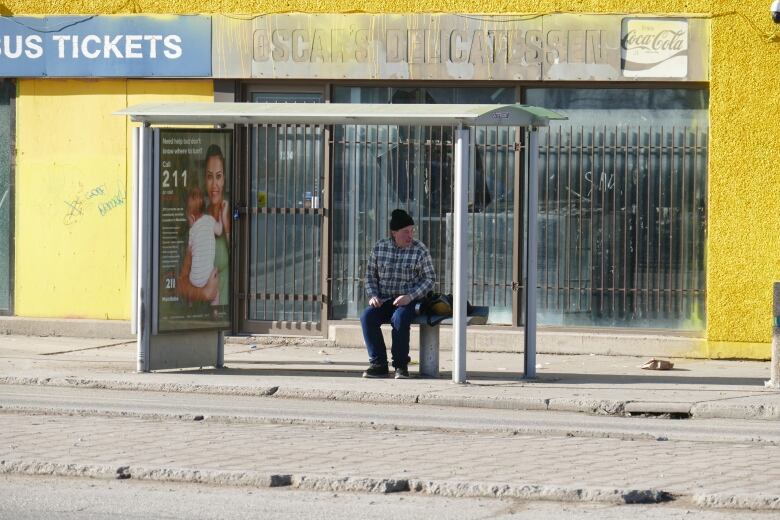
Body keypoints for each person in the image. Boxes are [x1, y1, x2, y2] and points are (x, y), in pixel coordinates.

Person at [361, 209, 435, 379]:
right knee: (367, 317)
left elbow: (429, 278)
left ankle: (401, 365)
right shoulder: (380, 248)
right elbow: (370, 276)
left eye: (412, 230)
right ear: (394, 233)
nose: (410, 235)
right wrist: (373, 296)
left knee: (400, 319)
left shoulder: (419, 250)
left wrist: (410, 296)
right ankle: (378, 363)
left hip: (409, 299)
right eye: (406, 232)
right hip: (384, 299)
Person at [177, 144, 230, 315]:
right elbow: (182, 281)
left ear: (225, 179)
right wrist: (204, 293)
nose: (214, 184)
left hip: (224, 305)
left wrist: (226, 225)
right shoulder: (204, 218)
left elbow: (238, 256)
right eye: (209, 177)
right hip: (205, 308)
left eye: (219, 176)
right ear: (204, 180)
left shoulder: (227, 211)